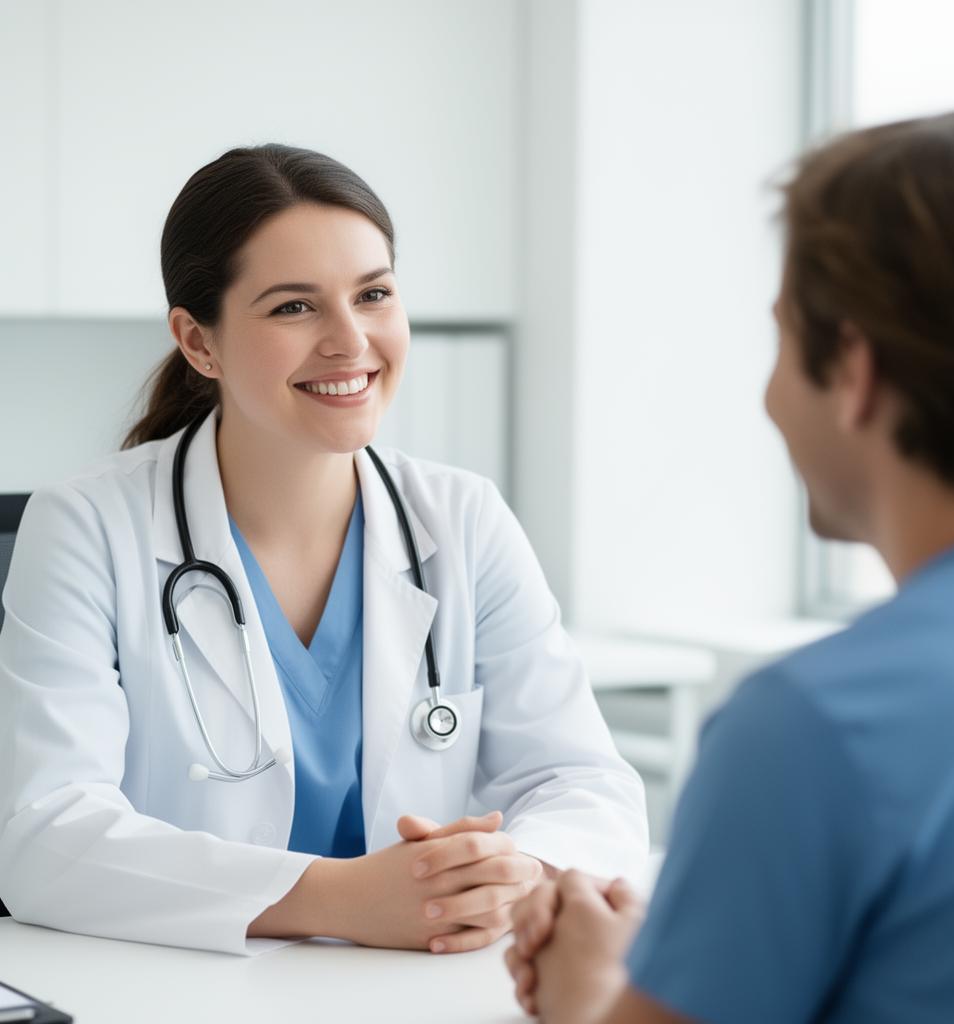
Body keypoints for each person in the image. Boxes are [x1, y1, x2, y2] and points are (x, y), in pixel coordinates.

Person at [0, 144, 647, 956]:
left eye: (373, 294)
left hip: (421, 990)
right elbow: (45, 837)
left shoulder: (463, 519)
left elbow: (586, 784)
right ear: (200, 342)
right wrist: (338, 897)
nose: (352, 341)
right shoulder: (89, 526)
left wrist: (506, 872)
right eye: (293, 308)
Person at [506, 109, 954, 1023]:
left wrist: (593, 999)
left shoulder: (820, 726)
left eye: (783, 339)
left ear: (853, 370)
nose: (770, 397)